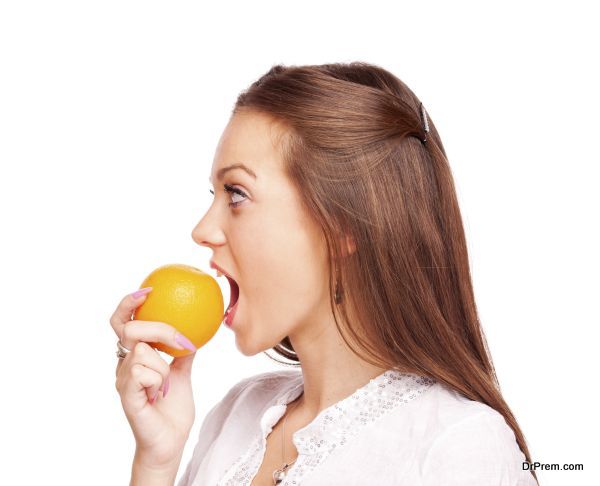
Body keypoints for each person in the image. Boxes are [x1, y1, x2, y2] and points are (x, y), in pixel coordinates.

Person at [111, 62, 539, 485]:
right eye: (215, 194)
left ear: (340, 226)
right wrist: (155, 463)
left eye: (236, 194)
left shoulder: (456, 445)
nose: (202, 231)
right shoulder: (238, 414)